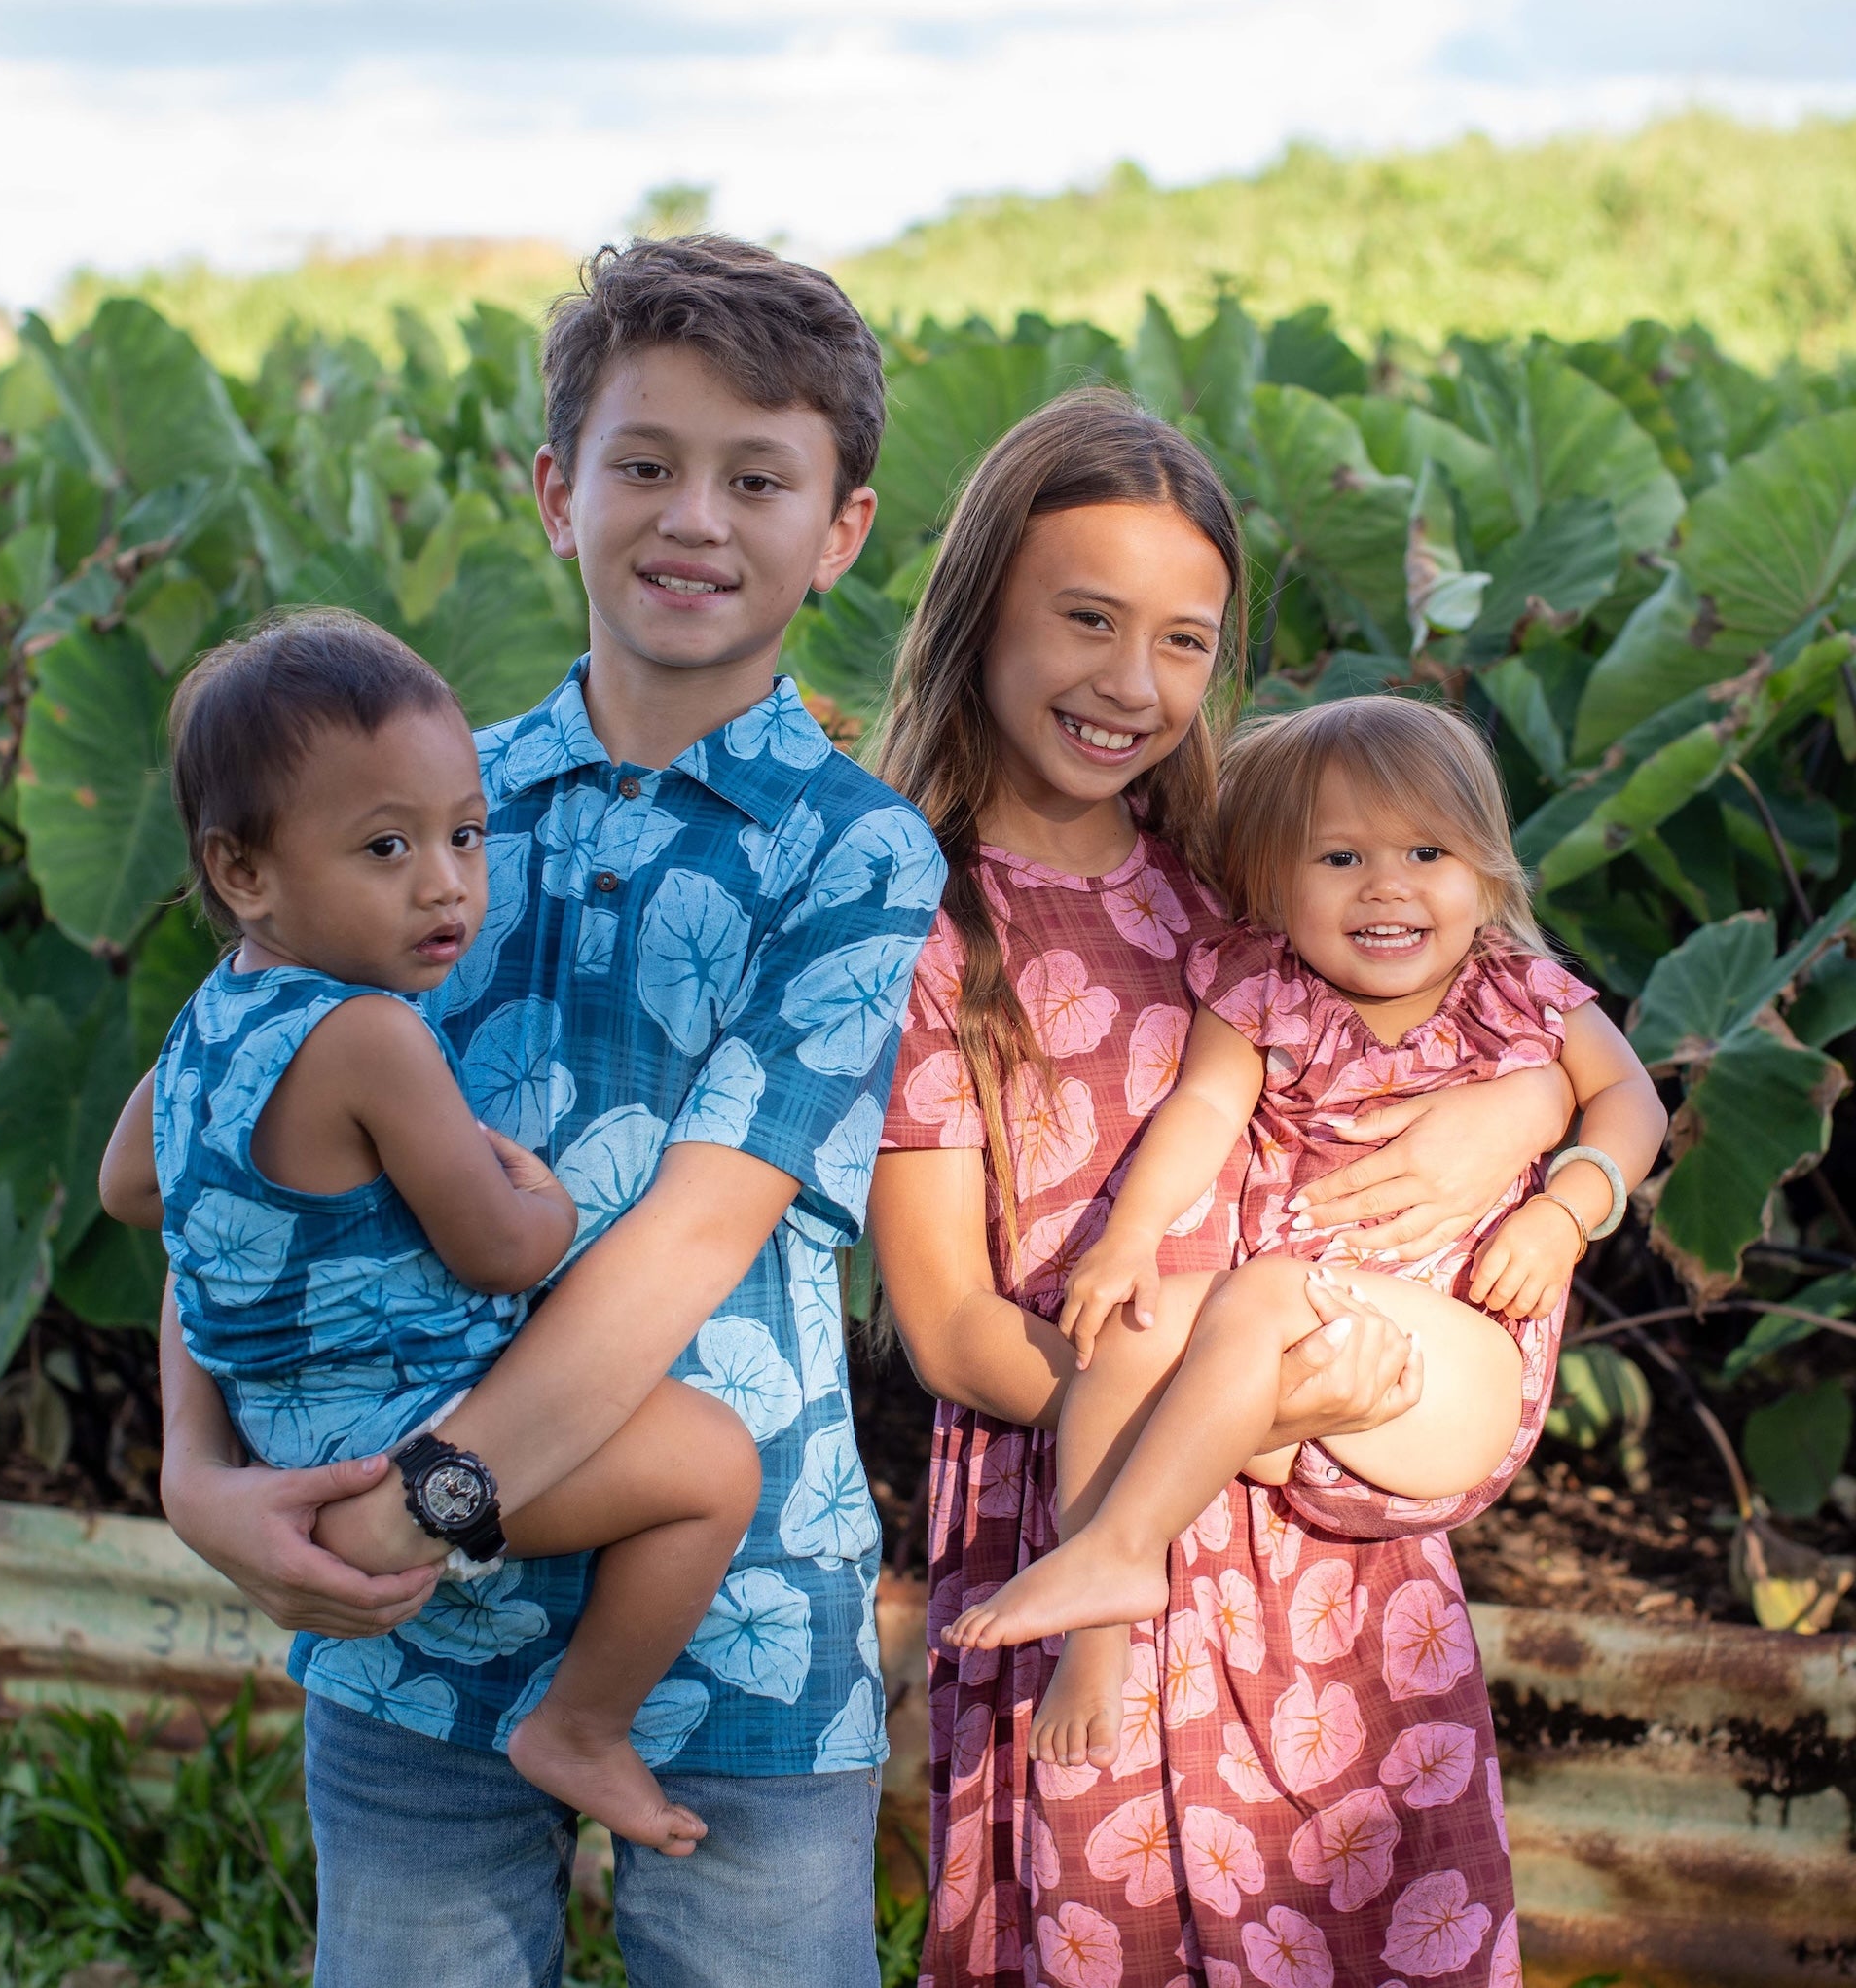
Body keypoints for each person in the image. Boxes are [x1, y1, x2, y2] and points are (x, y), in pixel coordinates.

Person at [133, 237, 945, 1988]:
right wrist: (198, 1475)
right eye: (642, 464)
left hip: (726, 1612)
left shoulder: (854, 853)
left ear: (844, 528)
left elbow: (694, 1236)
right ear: (553, 490)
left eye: (757, 477)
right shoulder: (417, 805)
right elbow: (223, 1142)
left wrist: (423, 1494)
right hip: (415, 1629)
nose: (692, 518)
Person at [869, 389, 1582, 1988]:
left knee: (1358, 1922)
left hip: (1327, 1557)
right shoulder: (917, 923)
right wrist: (1221, 1414)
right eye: (1085, 620)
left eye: (1183, 641)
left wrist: (1522, 1115)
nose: (1133, 682)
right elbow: (945, 1326)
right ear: (981, 606)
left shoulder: (1247, 866)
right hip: (1085, 1490)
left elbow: (1511, 1005)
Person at [99, 609, 765, 1855]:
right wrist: (546, 1194)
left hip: (280, 1434)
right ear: (243, 871)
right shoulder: (373, 1036)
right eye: (386, 846)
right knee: (712, 1468)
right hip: (401, 1432)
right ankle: (581, 1724)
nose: (446, 880)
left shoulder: (213, 1012)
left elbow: (132, 1188)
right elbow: (503, 1250)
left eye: (465, 833)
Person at [945, 696, 1666, 1770]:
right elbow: (1197, 1114)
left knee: (1269, 1288)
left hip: (1453, 1379)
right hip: (1289, 1380)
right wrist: (1128, 1240)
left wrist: (1564, 1212)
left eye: (1426, 849)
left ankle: (1126, 1543)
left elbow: (1634, 1104)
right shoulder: (1263, 994)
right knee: (1131, 1329)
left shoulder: (1522, 993)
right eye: (1337, 857)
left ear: (1486, 869)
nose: (1386, 883)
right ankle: (1096, 1637)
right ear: (1271, 887)